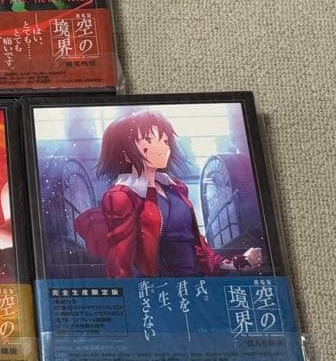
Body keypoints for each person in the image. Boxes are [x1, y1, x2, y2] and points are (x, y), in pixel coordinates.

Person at [74, 109, 263, 278]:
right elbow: (120, 260)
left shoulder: (175, 189)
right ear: (126, 153)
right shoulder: (123, 196)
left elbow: (196, 246)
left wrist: (236, 263)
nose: (163, 147)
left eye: (164, 140)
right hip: (158, 289)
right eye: (149, 140)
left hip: (195, 284)